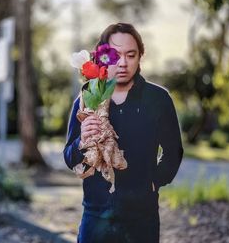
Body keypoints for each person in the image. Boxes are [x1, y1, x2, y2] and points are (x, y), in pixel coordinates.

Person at [63, 22, 184, 243]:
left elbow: (173, 151)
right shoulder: (87, 99)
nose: (123, 63)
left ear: (140, 57)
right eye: (115, 55)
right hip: (95, 215)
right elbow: (69, 157)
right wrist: (82, 139)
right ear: (102, 56)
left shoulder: (158, 99)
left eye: (130, 55)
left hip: (141, 218)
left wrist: (155, 182)